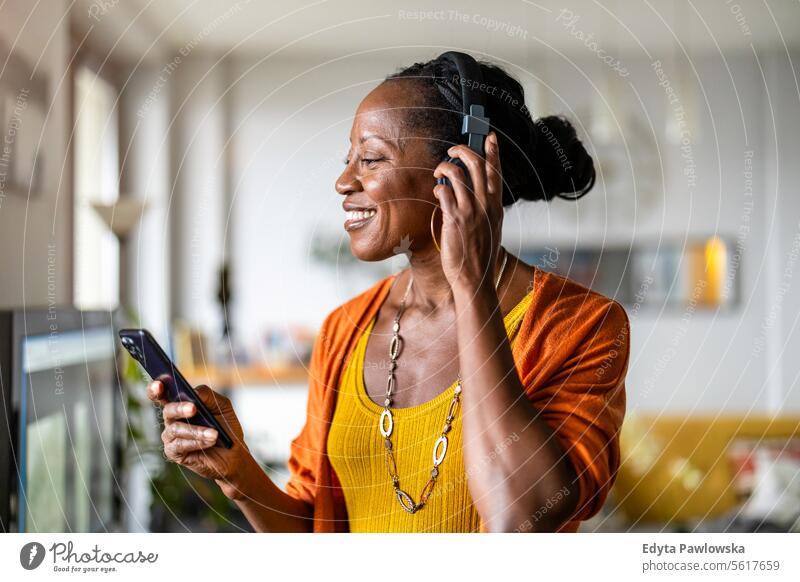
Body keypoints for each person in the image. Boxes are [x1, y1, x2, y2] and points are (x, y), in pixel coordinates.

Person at [147, 53, 630, 533]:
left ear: (461, 170)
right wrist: (238, 474)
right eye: (348, 159)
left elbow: (521, 516)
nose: (342, 181)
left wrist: (473, 287)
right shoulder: (344, 330)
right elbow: (313, 533)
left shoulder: (583, 326)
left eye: (372, 158)